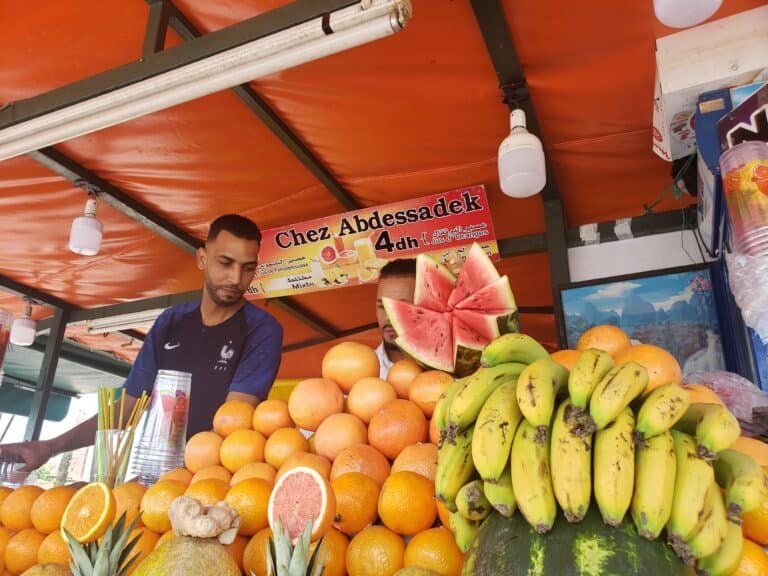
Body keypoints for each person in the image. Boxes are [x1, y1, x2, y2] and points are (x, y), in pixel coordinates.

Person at [0, 214, 283, 473]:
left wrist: (179, 480)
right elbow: (128, 406)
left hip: (215, 482)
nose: (236, 278)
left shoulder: (262, 330)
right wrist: (51, 446)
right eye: (225, 263)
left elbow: (233, 423)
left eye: (248, 268)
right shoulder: (171, 322)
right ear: (202, 259)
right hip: (155, 479)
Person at [374, 258, 416, 378]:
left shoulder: (457, 371)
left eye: (399, 308)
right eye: (382, 306)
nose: (388, 318)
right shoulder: (357, 375)